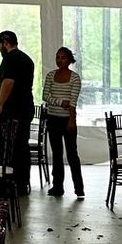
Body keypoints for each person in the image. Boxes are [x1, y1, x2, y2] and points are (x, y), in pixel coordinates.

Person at [0, 30, 36, 188]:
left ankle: (8, 181)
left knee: (9, 146)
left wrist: (0, 104)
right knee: (22, 146)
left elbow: (8, 82)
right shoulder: (27, 59)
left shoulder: (9, 59)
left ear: (5, 43)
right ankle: (22, 182)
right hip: (26, 107)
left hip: (14, 109)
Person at [39, 46, 84, 197]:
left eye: (63, 57)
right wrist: (59, 102)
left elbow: (73, 101)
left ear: (69, 59)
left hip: (68, 119)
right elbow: (45, 96)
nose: (60, 60)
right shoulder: (51, 75)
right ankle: (58, 186)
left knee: (72, 154)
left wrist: (72, 120)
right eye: (57, 57)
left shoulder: (75, 78)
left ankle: (79, 188)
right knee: (57, 154)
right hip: (53, 118)